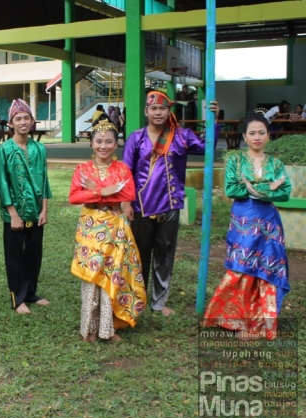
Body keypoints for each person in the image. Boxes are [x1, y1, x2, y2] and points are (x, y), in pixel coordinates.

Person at [122, 91, 220, 317]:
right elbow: (126, 172)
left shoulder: (181, 135)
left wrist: (214, 120)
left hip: (170, 206)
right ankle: (138, 297)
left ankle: (158, 301)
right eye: (153, 109)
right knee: (139, 255)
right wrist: (127, 202)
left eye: (162, 109)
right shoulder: (136, 138)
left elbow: (207, 148)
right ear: (146, 111)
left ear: (169, 112)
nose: (158, 113)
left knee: (165, 255)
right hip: (141, 206)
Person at [203, 113, 291, 341]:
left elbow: (285, 193)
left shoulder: (276, 163)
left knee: (267, 270)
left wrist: (255, 188)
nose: (257, 137)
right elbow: (232, 190)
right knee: (242, 268)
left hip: (269, 224)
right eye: (252, 133)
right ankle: (237, 321)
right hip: (243, 222)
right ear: (244, 136)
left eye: (262, 132)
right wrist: (267, 187)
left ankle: (261, 324)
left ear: (269, 136)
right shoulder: (236, 161)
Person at [69, 120, 146, 342]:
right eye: (99, 141)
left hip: (115, 230)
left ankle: (108, 329)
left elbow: (128, 195)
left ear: (116, 144)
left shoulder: (122, 169)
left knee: (112, 276)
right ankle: (90, 329)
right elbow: (74, 197)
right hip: (90, 230)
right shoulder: (82, 169)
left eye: (109, 141)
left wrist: (94, 191)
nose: (104, 146)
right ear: (91, 143)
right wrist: (105, 192)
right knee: (92, 277)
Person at [0, 98, 52, 315]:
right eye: (18, 119)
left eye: (26, 118)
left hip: (36, 212)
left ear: (32, 121)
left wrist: (44, 209)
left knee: (34, 255)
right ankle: (18, 298)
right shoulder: (3, 150)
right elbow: (2, 183)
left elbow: (44, 180)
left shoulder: (40, 148)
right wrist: (13, 213)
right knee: (15, 256)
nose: (23, 122)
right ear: (11, 123)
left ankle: (30, 292)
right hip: (15, 214)